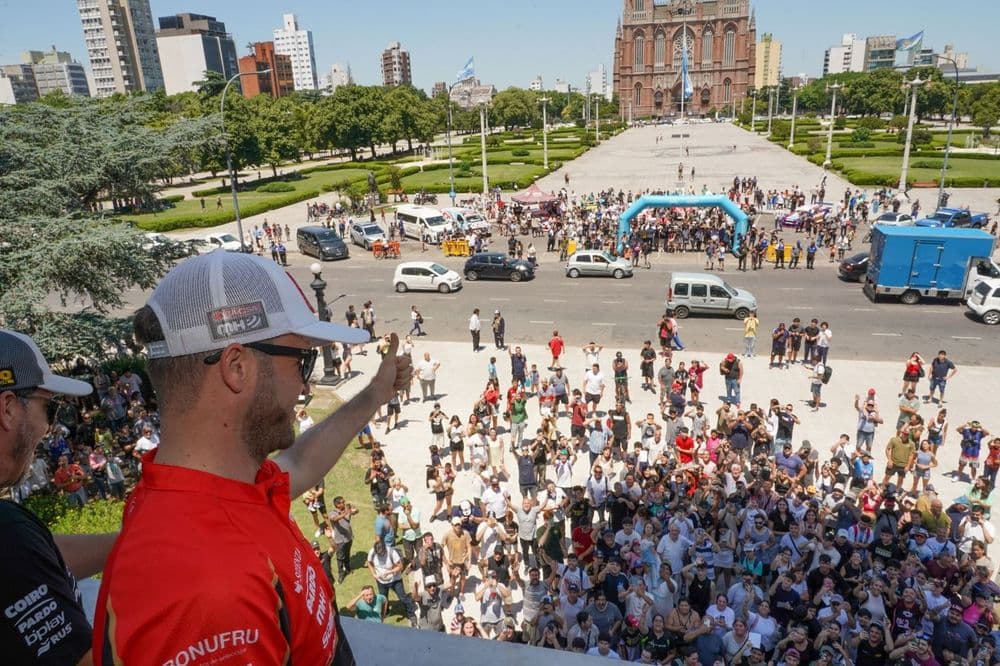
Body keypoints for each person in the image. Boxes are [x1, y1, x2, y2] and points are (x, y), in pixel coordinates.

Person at [92, 252, 410, 664]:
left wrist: (375, 394)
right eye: (302, 361)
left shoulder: (212, 490)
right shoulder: (208, 590)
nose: (304, 385)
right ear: (236, 367)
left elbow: (298, 464)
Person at [0, 329, 117, 664]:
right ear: (8, 408)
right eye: (47, 408)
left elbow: (35, 559)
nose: (47, 428)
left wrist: (133, 541)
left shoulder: (16, 543)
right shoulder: (8, 530)